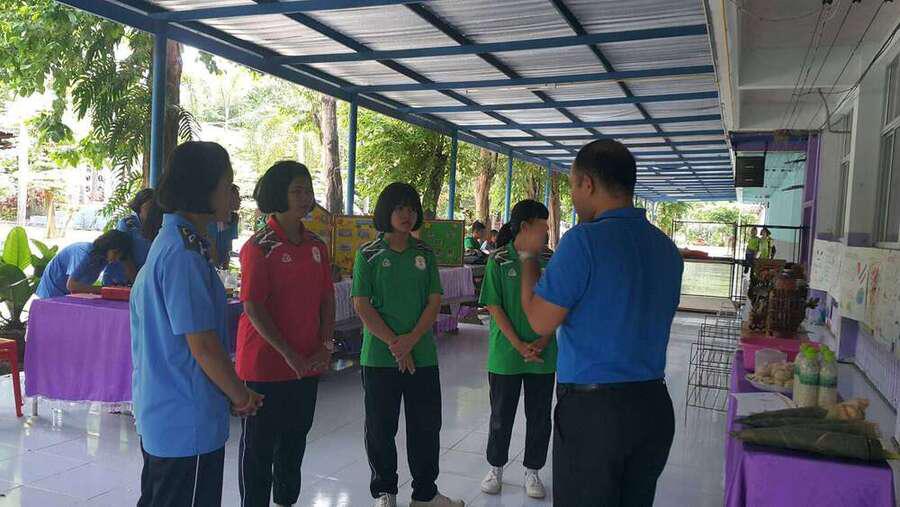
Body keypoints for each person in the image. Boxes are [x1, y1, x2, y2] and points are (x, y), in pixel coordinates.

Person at [518, 139, 683, 507]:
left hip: (595, 416)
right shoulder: (666, 248)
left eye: (573, 186)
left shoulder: (583, 242)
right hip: (653, 409)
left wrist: (528, 256)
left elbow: (539, 321)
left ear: (587, 184)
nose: (573, 197)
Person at [130, 141, 263, 507]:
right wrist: (240, 396)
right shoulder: (183, 254)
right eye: (227, 185)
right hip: (185, 418)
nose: (233, 196)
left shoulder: (176, 243)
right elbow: (202, 345)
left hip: (168, 410)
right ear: (202, 188)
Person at [351, 182, 464, 507]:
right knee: (380, 428)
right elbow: (362, 304)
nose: (407, 214)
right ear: (386, 211)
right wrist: (395, 344)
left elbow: (434, 301)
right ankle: (385, 491)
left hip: (422, 355)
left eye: (412, 209)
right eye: (400, 208)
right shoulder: (368, 254)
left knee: (426, 427)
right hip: (379, 356)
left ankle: (425, 494)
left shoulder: (424, 254)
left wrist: (411, 341)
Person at [237, 161, 336, 507]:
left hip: (307, 363)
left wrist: (325, 345)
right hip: (265, 366)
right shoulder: (259, 246)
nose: (305, 197)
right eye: (297, 190)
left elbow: (327, 298)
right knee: (259, 448)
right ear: (278, 194)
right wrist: (288, 353)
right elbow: (253, 306)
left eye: (308, 190)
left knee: (295, 441)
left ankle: (286, 500)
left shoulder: (316, 245)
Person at [477, 200, 556, 500]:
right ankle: (495, 467)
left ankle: (532, 470)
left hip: (543, 353)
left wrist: (543, 340)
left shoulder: (550, 260)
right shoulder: (498, 260)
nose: (546, 231)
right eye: (542, 226)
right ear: (525, 226)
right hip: (506, 354)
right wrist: (519, 344)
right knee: (501, 414)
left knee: (539, 416)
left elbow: (559, 304)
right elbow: (494, 306)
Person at [35, 230, 134, 298]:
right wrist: (103, 290)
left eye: (119, 256)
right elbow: (71, 285)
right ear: (107, 246)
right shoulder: (84, 253)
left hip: (67, 295)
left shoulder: (104, 259)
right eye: (115, 253)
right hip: (51, 292)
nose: (116, 258)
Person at [103, 189, 157, 286]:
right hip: (121, 280)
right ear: (138, 207)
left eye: (155, 209)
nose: (153, 212)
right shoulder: (127, 224)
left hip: (143, 278)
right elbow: (124, 256)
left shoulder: (158, 225)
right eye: (149, 208)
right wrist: (136, 282)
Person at [207, 183, 241, 270]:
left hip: (221, 262)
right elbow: (211, 246)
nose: (240, 200)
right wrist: (217, 268)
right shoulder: (211, 219)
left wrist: (225, 267)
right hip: (209, 263)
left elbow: (229, 244)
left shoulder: (234, 218)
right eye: (237, 197)